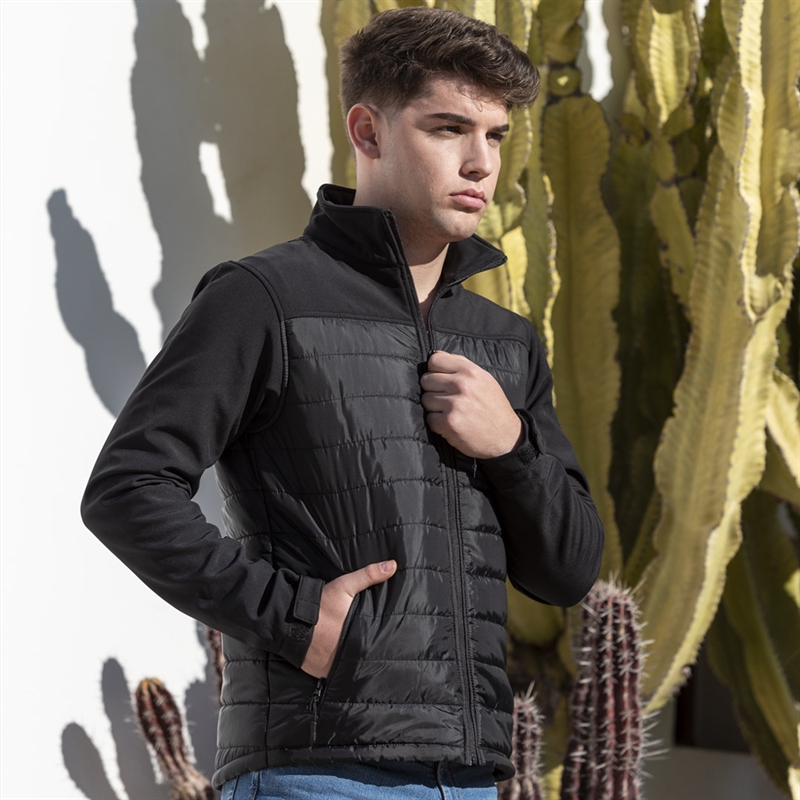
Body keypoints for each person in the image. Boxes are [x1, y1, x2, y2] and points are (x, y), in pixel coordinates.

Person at [81, 7, 604, 799]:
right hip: (316, 772)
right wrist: (296, 618)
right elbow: (127, 488)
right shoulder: (263, 298)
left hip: (469, 779)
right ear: (368, 132)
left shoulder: (505, 342)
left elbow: (568, 571)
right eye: (448, 129)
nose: (480, 162)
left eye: (496, 136)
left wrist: (511, 447)